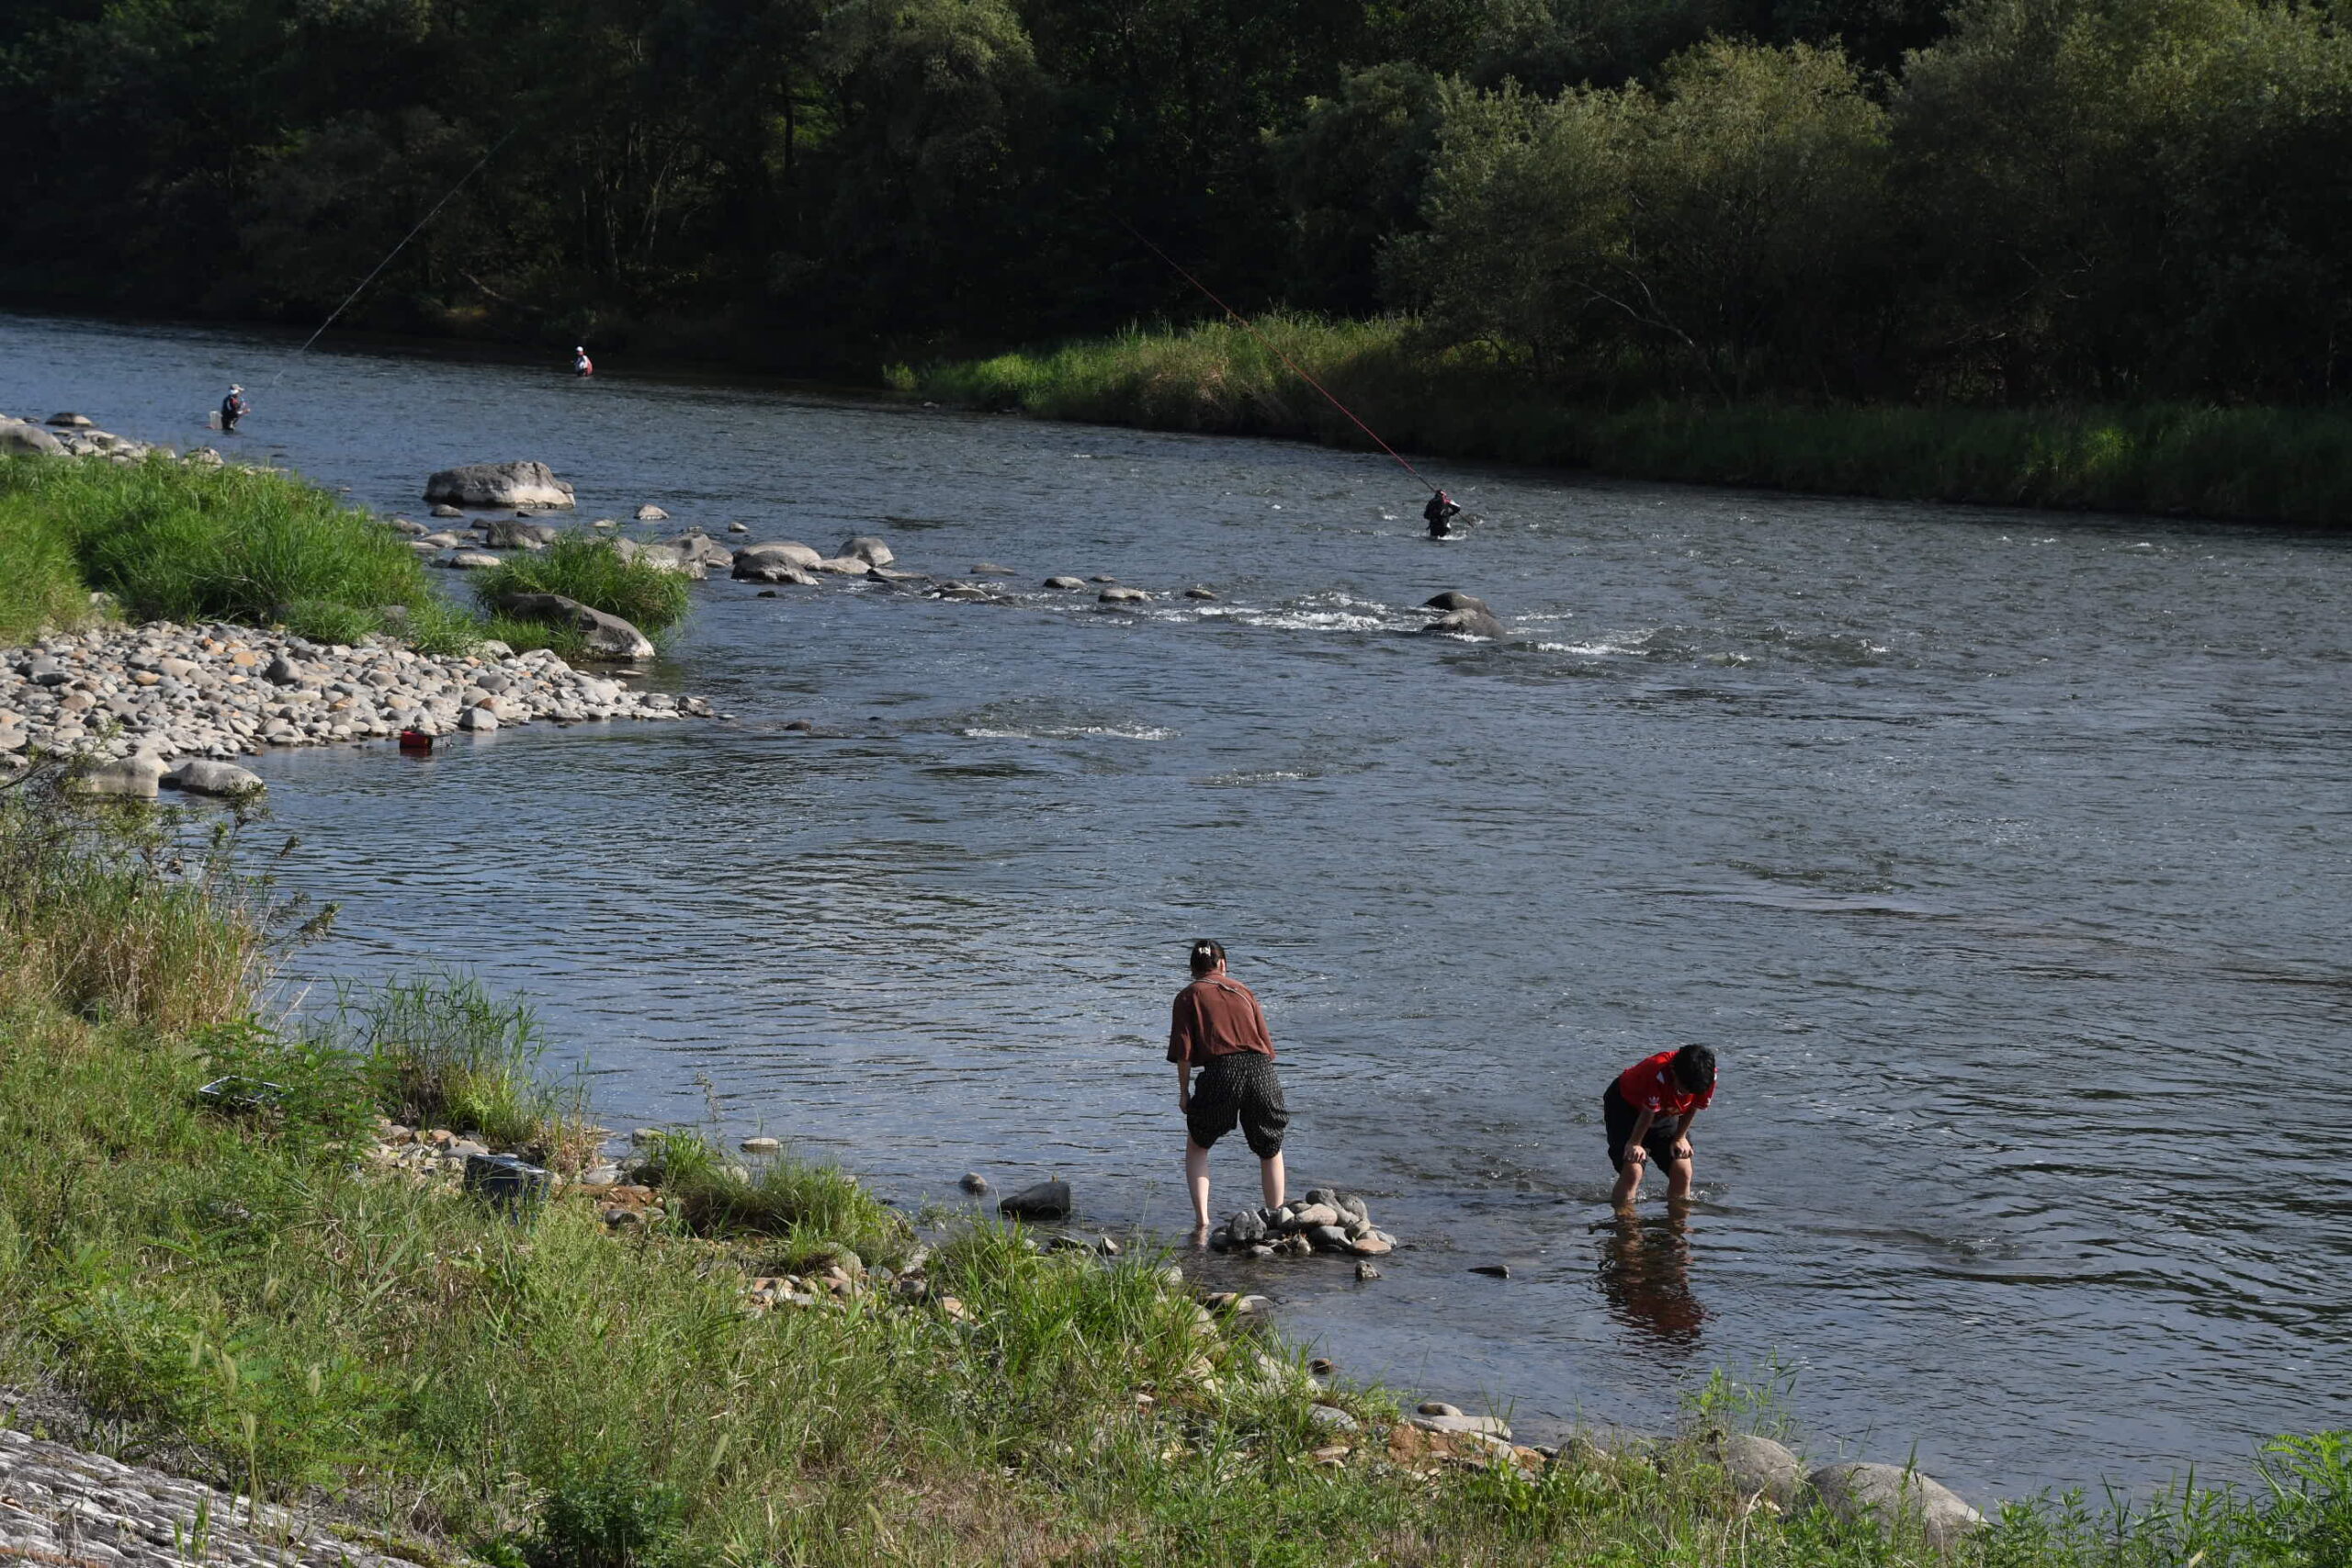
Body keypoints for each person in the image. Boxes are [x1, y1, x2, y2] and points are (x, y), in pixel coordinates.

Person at [1169, 938, 1288, 1238]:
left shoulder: (1188, 995)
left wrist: (1184, 1093)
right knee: (1270, 1147)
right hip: (1261, 1068)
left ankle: (1203, 1223)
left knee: (1198, 1143)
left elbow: (1183, 1052)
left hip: (1222, 1071)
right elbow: (1266, 1048)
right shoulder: (1244, 991)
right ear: (1222, 965)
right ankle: (1276, 1217)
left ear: (1193, 968)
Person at [1604, 1043, 1715, 1209]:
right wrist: (1634, 1143)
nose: (1685, 1093)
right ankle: (1625, 1226)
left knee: (1682, 1167)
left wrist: (1680, 1137)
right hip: (1625, 1106)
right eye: (1682, 1088)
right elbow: (1648, 1112)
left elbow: (1694, 1106)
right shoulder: (1657, 1071)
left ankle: (1676, 1226)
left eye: (1690, 1091)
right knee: (1633, 1170)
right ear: (1673, 1071)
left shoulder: (1705, 1077)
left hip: (1663, 1111)